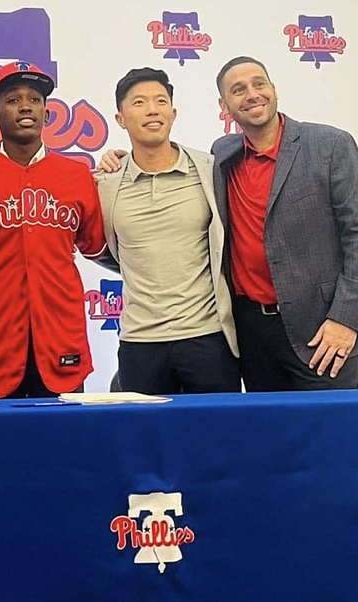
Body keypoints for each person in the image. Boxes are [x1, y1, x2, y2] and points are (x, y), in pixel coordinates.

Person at [212, 56, 358, 391]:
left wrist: (345, 319)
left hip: (324, 330)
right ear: (224, 105)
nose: (251, 94)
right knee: (272, 439)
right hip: (253, 335)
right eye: (238, 90)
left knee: (328, 439)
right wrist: (120, 162)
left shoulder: (330, 145)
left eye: (259, 83)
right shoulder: (222, 154)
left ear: (273, 89)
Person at [0, 62, 106, 398]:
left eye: (35, 99)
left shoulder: (77, 175)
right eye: (13, 100)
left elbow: (93, 244)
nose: (26, 106)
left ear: (47, 115)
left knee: (63, 445)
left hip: (60, 334)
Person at [94, 67, 239, 395]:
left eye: (161, 101)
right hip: (140, 342)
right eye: (139, 103)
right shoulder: (106, 182)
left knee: (218, 441)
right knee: (145, 443)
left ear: (173, 113)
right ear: (120, 119)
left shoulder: (209, 168)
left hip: (208, 337)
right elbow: (101, 248)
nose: (152, 110)